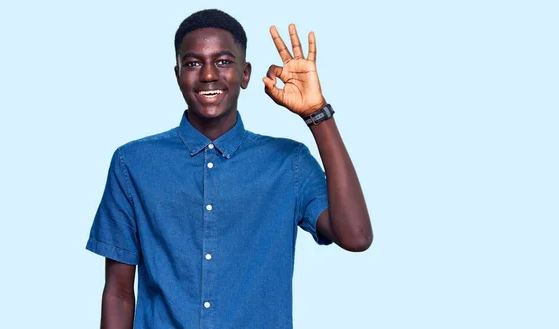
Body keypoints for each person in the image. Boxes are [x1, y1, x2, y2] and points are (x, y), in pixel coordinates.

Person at [85, 8, 373, 329]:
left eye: (223, 61)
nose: (208, 74)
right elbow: (119, 292)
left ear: (245, 74)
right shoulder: (133, 163)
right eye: (193, 63)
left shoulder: (289, 163)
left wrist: (317, 114)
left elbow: (356, 236)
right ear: (178, 74)